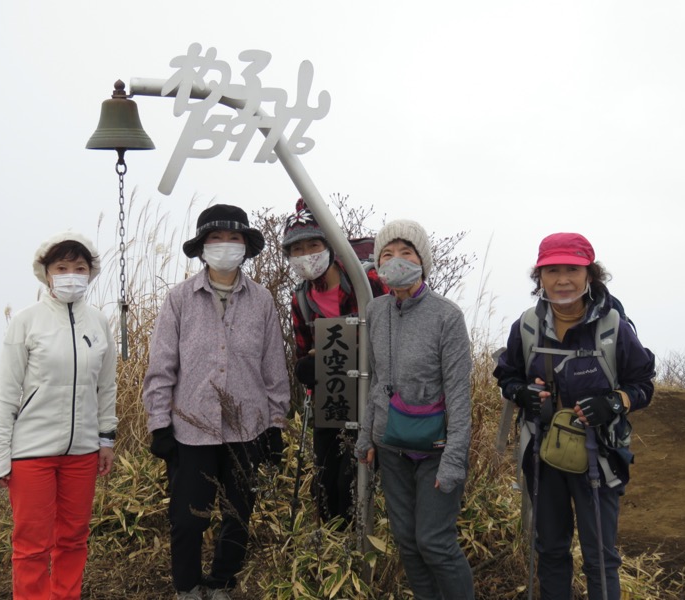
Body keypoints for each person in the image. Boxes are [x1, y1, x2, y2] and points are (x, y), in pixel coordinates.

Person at [493, 232, 656, 600]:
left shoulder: (613, 326)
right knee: (550, 550)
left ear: (590, 276)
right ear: (540, 277)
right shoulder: (527, 326)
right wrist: (523, 393)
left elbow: (643, 383)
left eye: (572, 269)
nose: (562, 279)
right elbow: (507, 375)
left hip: (600, 456)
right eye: (552, 270)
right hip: (544, 454)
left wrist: (614, 403)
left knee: (600, 558)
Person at [143, 204, 291, 600]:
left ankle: (223, 581)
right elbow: (161, 366)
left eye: (234, 238)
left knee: (239, 513)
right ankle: (188, 588)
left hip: (249, 428)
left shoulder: (262, 301)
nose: (225, 246)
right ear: (201, 247)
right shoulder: (179, 300)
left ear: (246, 246)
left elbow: (273, 368)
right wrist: (159, 423)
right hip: (191, 428)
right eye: (215, 238)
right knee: (188, 518)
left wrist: (276, 425)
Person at [0, 231, 118, 600]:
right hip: (31, 453)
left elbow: (106, 387)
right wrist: (0, 455)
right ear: (46, 273)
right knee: (31, 544)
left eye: (80, 267)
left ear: (91, 272)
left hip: (82, 453)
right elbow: (6, 393)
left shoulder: (99, 323)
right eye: (62, 267)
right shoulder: (26, 322)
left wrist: (106, 439)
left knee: (74, 538)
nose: (71, 274)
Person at [355, 220, 475, 600]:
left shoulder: (446, 316)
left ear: (422, 260)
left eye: (406, 252)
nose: (396, 261)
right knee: (407, 541)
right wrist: (366, 437)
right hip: (391, 448)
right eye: (387, 254)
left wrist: (455, 459)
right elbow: (376, 381)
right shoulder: (376, 311)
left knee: (434, 543)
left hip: (436, 451)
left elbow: (458, 393)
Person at [281, 198, 389, 526]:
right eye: (296, 249)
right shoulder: (301, 299)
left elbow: (392, 334)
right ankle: (333, 553)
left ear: (329, 245)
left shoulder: (366, 281)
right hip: (332, 397)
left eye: (313, 245)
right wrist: (306, 368)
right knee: (326, 484)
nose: (305, 256)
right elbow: (305, 352)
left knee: (352, 479)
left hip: (373, 395)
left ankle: (359, 553)